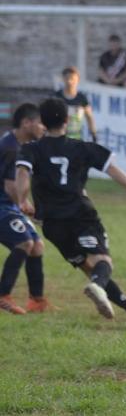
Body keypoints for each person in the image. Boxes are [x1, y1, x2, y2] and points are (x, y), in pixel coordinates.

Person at [15, 98, 126, 326]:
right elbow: (113, 170)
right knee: (103, 261)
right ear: (67, 121)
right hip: (80, 215)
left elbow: (22, 174)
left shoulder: (31, 149)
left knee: (89, 267)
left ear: (42, 122)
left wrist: (22, 199)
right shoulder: (81, 148)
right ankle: (99, 289)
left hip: (51, 223)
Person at [0, 103, 49, 314]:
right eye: (40, 124)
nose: (43, 128)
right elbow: (10, 186)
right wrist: (25, 204)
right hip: (2, 206)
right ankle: (3, 295)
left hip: (8, 205)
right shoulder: (11, 147)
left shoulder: (19, 144)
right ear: (27, 123)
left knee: (37, 246)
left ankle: (36, 300)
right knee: (24, 242)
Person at [54, 67, 98, 142]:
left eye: (73, 79)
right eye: (67, 78)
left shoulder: (82, 98)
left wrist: (94, 135)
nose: (70, 81)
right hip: (59, 139)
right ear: (63, 79)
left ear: (78, 80)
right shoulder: (56, 97)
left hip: (76, 139)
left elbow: (89, 117)